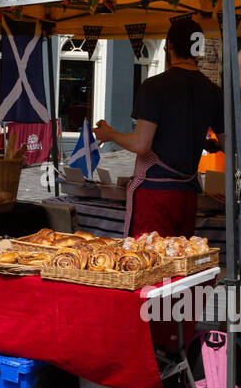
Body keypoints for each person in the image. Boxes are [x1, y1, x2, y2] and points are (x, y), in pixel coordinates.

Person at [94, 16, 225, 237]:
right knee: (182, 261)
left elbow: (141, 144)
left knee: (150, 262)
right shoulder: (212, 90)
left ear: (169, 46)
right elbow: (225, 141)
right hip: (188, 195)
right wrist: (199, 141)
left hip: (155, 193)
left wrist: (110, 134)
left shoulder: (154, 86)